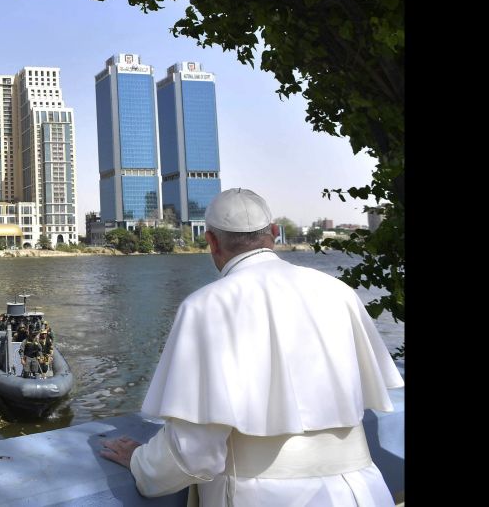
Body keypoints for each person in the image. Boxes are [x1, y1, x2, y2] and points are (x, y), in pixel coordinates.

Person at [100, 188, 404, 506]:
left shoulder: (206, 306)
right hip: (361, 492)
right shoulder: (339, 292)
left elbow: (195, 453)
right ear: (274, 233)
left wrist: (141, 461)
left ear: (212, 242)